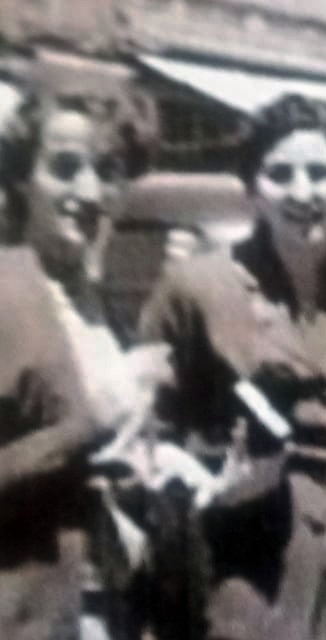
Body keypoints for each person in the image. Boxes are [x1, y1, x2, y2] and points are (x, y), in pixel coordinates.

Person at [140, 93, 326, 640]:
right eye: (279, 174)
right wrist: (202, 476)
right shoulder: (196, 288)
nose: (301, 192)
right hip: (247, 573)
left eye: (320, 172)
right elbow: (149, 430)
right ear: (252, 186)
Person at [0, 89, 158, 639]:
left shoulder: (94, 302)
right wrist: (92, 422)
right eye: (65, 168)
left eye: (107, 171)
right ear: (22, 178)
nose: (88, 192)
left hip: (95, 611)